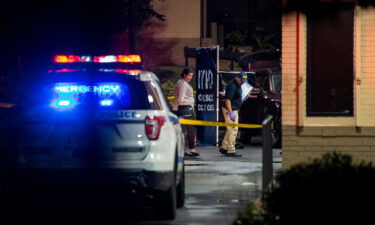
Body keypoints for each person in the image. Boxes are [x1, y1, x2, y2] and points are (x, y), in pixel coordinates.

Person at [173, 67, 199, 157]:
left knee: (185, 130)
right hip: (185, 108)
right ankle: (190, 149)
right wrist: (176, 110)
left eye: (192, 76)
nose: (190, 77)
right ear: (184, 75)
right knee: (189, 129)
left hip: (184, 108)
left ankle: (184, 149)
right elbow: (180, 98)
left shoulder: (182, 83)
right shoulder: (183, 84)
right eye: (189, 75)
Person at [219, 73, 244, 157]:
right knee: (233, 130)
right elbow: (227, 100)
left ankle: (224, 147)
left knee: (231, 129)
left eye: (244, 81)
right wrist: (230, 112)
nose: (243, 82)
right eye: (241, 80)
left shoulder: (238, 85)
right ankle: (231, 150)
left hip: (234, 109)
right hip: (230, 110)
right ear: (237, 77)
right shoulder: (232, 86)